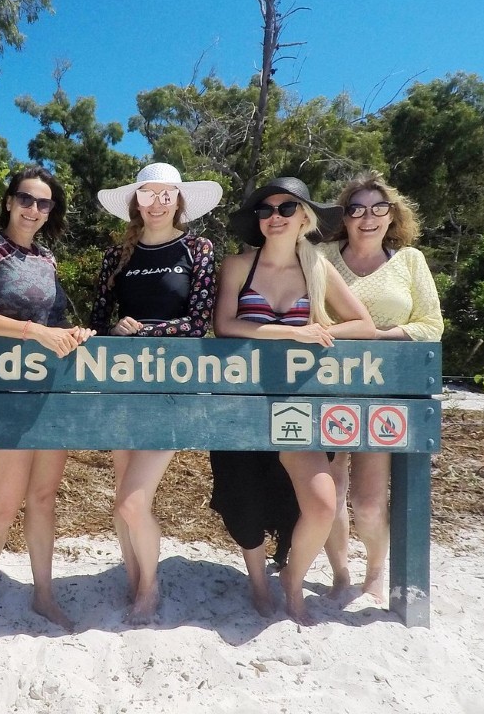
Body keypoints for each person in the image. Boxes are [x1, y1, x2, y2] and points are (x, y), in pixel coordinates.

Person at [214, 176, 375, 625]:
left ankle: (292, 578)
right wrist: (292, 333)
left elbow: (363, 325)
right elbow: (226, 325)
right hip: (242, 402)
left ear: (305, 217)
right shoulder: (237, 266)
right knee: (243, 499)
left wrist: (323, 332)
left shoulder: (318, 268)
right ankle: (258, 582)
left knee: (322, 503)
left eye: (287, 208)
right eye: (266, 210)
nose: (275, 217)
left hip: (298, 404)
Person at [0, 166, 94, 630]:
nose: (33, 209)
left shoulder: (48, 257)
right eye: (26, 199)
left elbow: (54, 323)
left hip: (47, 393)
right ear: (9, 201)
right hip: (1, 392)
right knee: (4, 500)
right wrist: (34, 331)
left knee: (43, 498)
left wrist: (73, 333)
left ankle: (44, 594)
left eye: (43, 203)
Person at [90, 162, 223, 623]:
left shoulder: (199, 249)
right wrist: (114, 330)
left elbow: (198, 323)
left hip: (173, 389)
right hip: (122, 386)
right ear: (136, 201)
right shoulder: (116, 256)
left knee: (133, 501)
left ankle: (150, 587)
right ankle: (133, 581)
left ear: (179, 200)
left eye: (167, 194)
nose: (158, 202)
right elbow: (98, 322)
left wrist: (144, 331)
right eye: (148, 193)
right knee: (122, 499)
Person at [319, 171, 444, 604]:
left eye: (378, 208)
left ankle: (375, 572)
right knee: (330, 496)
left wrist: (375, 335)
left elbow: (431, 325)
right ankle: (340, 573)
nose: (367, 217)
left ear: (392, 215)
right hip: (324, 388)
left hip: (384, 394)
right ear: (344, 216)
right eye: (356, 209)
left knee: (369, 502)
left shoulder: (410, 261)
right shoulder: (321, 256)